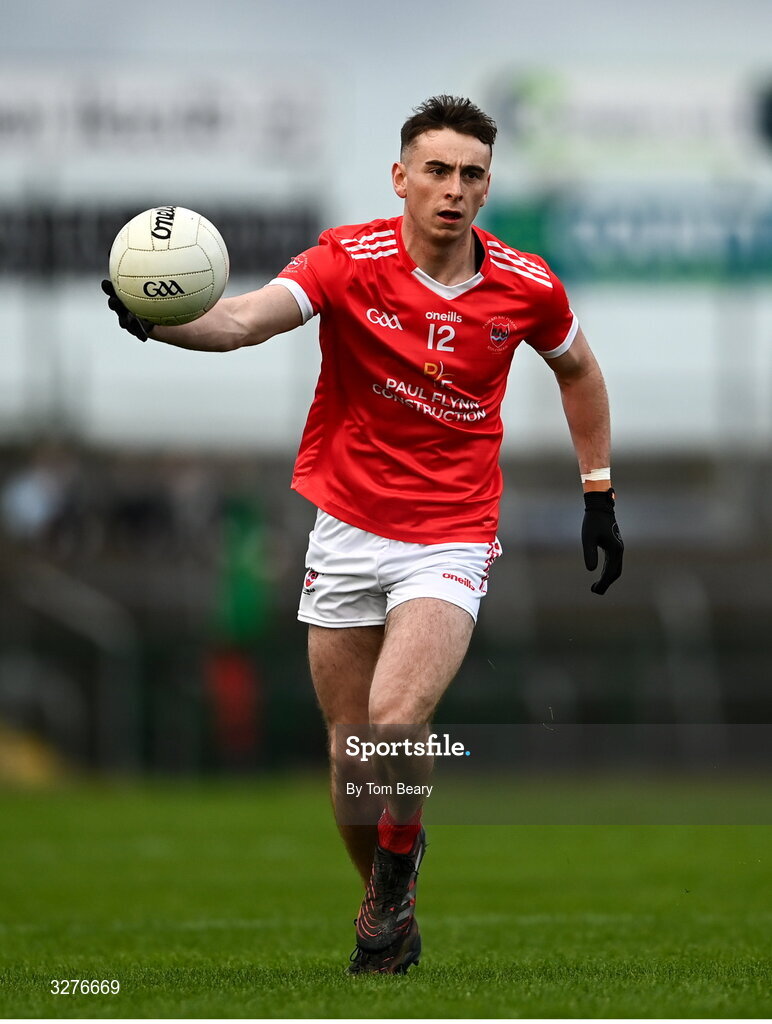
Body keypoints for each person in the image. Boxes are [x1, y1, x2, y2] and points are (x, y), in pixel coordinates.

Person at [102, 94, 624, 975]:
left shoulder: (528, 285)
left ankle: (392, 868)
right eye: (437, 171)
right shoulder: (348, 259)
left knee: (393, 720)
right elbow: (241, 320)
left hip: (451, 536)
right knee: (352, 768)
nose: (453, 189)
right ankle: (390, 891)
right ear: (401, 178)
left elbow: (579, 370)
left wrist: (599, 492)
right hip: (345, 529)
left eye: (471, 174)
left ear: (487, 187)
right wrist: (159, 320)